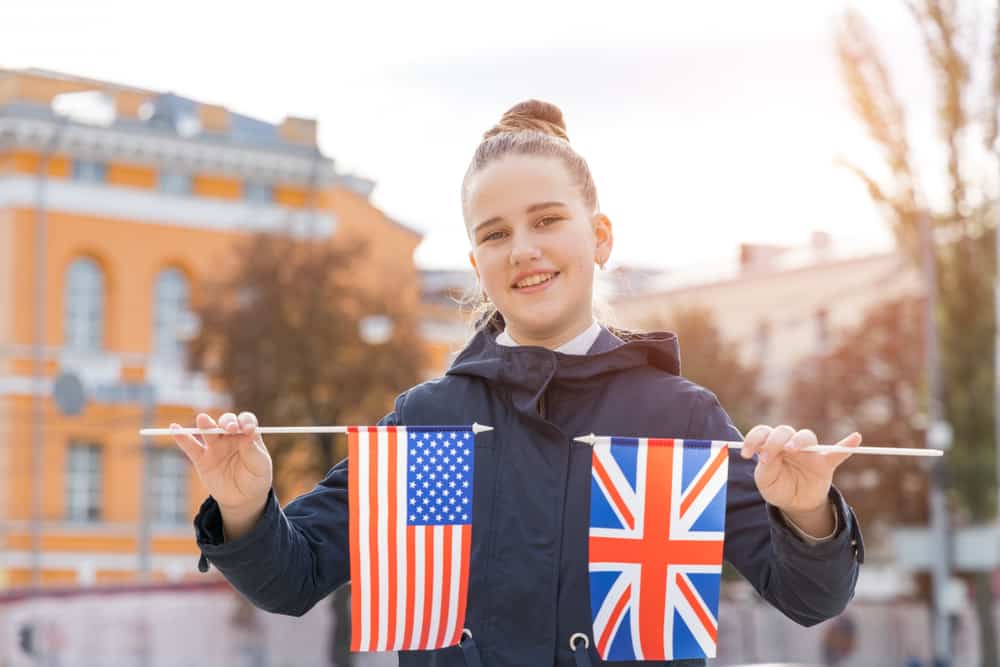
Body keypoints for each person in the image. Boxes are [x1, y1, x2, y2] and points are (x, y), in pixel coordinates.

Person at [171, 100, 865, 667]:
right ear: (477, 263)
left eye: (547, 220)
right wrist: (243, 507)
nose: (524, 249)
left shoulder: (677, 417)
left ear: (599, 236)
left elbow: (810, 597)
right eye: (496, 233)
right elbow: (293, 577)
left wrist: (807, 515)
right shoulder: (430, 420)